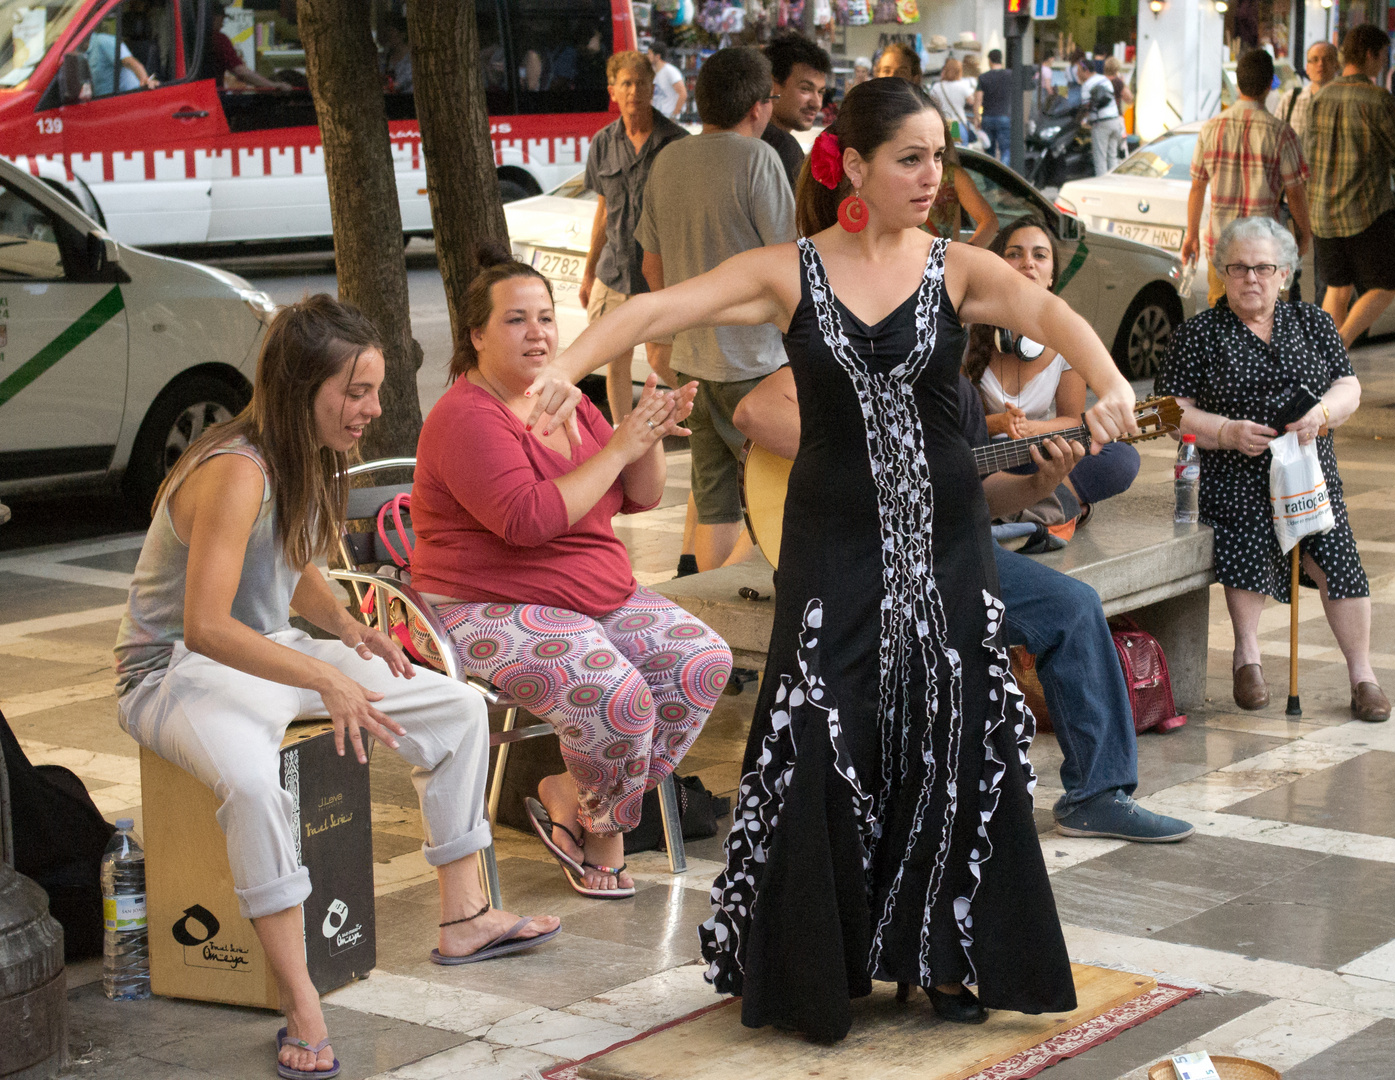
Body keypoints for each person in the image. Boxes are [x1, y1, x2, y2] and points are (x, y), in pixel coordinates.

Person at [521, 76, 1138, 1042]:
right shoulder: (789, 271)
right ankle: (829, 963)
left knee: (951, 722)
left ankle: (947, 956)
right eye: (911, 158)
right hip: (833, 542)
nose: (934, 175)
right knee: (829, 728)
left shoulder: (957, 268)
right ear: (853, 165)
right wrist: (561, 368)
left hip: (946, 539)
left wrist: (1105, 385)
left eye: (940, 155)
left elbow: (1056, 316)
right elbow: (652, 309)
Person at [114, 297, 557, 1080]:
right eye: (355, 393)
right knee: (254, 786)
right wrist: (324, 674)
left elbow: (296, 566)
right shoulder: (233, 469)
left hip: (262, 653)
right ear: (298, 386)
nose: (372, 410)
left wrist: (350, 631)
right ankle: (301, 1003)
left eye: (375, 391)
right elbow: (208, 624)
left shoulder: (295, 451)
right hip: (174, 670)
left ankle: (466, 917)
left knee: (456, 706)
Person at [733, 330, 1193, 845]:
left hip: (952, 549)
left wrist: (1040, 484)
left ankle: (1098, 796)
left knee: (1074, 606)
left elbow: (976, 496)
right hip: (856, 556)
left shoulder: (958, 395)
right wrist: (878, 465)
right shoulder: (857, 363)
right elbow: (753, 412)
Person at [408, 249, 729, 898]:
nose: (539, 333)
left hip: (593, 596)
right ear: (476, 336)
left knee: (699, 661)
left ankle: (572, 794)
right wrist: (617, 446)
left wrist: (649, 431)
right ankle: (606, 832)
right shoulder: (466, 417)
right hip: (480, 607)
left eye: (547, 319)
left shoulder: (568, 399)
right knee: (619, 696)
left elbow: (632, 496)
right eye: (516, 320)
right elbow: (525, 520)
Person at [1155, 217, 1388, 723]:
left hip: (1307, 473)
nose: (1251, 278)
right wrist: (1226, 431)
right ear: (1223, 274)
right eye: (1238, 268)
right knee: (1245, 527)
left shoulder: (1313, 324)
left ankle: (1363, 675)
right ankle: (1248, 656)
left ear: (1285, 273)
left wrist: (1321, 413)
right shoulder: (1200, 333)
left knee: (1339, 557)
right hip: (1235, 471)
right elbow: (1169, 410)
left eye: (1263, 267)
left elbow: (1349, 388)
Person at [636, 47, 796, 572]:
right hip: (756, 367)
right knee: (778, 500)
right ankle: (749, 609)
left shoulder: (668, 160)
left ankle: (714, 629)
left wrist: (670, 336)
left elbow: (652, 267)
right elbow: (787, 265)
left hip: (692, 366)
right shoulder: (759, 159)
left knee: (715, 505)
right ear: (757, 106)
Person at [965, 215, 1141, 523]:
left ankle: (1032, 507)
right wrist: (1000, 424)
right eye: (1015, 253)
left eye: (1039, 255)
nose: (1028, 263)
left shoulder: (1068, 340)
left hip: (1034, 453)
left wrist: (1030, 430)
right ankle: (1060, 507)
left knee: (1121, 459)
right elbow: (954, 421)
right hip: (983, 456)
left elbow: (1071, 418)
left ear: (1051, 276)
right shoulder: (966, 331)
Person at [581, 50, 687, 423]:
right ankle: (621, 434)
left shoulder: (676, 142)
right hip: (615, 272)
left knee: (663, 358)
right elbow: (603, 212)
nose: (634, 91)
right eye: (626, 83)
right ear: (613, 91)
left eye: (641, 83)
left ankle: (704, 415)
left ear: (652, 88)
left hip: (659, 273)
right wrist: (589, 271)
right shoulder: (603, 143)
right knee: (615, 358)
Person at [1303, 23, 1395, 347]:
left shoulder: (1320, 97)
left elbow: (1309, 152)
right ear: (1370, 54)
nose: (1382, 64)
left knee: (1338, 288)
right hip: (1364, 211)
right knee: (1385, 286)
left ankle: (1327, 367)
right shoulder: (1376, 98)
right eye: (1382, 56)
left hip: (1323, 212)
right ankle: (1339, 343)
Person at [1182, 48, 1311, 309]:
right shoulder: (1282, 133)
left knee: (1224, 327)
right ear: (1268, 85)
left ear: (1238, 83)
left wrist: (1192, 235)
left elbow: (1197, 186)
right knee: (1263, 325)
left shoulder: (1211, 129)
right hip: (1265, 253)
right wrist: (1304, 233)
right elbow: (1296, 193)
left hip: (1222, 249)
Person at [876, 46, 998, 247]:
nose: (892, 77)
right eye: (886, 70)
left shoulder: (948, 176)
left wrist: (956, 259)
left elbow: (989, 221)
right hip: (954, 125)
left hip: (946, 124)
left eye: (901, 72)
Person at [762, 33, 831, 187]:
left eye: (821, 92)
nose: (817, 103)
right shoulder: (782, 147)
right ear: (772, 85)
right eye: (805, 89)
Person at [201, 2, 290, 90]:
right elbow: (241, 72)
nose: (223, 22)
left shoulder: (194, 38)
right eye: (223, 17)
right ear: (213, 17)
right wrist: (273, 85)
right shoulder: (218, 39)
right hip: (211, 98)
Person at [1275, 40, 1339, 140]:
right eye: (1314, 60)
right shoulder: (1290, 99)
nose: (1320, 64)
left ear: (1336, 66)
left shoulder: (1342, 102)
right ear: (1307, 68)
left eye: (1327, 59)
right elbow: (1276, 137)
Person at [86, 19, 158, 97]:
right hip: (100, 101)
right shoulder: (77, 48)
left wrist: (144, 79)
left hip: (127, 97)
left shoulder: (103, 41)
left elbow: (129, 62)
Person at [1079, 61, 1123, 178]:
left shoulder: (1087, 85)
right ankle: (1114, 183)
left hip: (1101, 123)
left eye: (1079, 71)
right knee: (1112, 156)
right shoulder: (1104, 79)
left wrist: (1081, 120)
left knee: (1100, 158)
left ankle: (1102, 185)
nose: (1077, 74)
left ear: (1086, 71)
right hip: (1115, 120)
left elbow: (1086, 106)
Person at [977, 48, 1015, 164]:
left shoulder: (983, 77)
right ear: (1001, 60)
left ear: (990, 60)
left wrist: (976, 117)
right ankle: (1002, 176)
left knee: (989, 151)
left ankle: (990, 180)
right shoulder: (1010, 75)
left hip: (987, 117)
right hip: (1004, 116)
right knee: (1006, 150)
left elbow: (978, 99)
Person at [929, 56, 976, 147]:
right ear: (959, 71)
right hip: (956, 124)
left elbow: (930, 103)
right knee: (961, 154)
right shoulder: (963, 86)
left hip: (941, 124)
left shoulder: (937, 86)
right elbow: (972, 101)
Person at [648, 42, 687, 119]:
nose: (648, 56)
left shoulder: (670, 71)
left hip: (668, 117)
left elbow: (683, 93)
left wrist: (675, 114)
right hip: (657, 117)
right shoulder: (653, 73)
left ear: (657, 56)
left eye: (650, 54)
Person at [377, 13, 412, 93]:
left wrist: (390, 87)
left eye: (392, 31)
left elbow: (405, 81)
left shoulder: (411, 57)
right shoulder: (385, 58)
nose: (388, 35)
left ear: (402, 34)